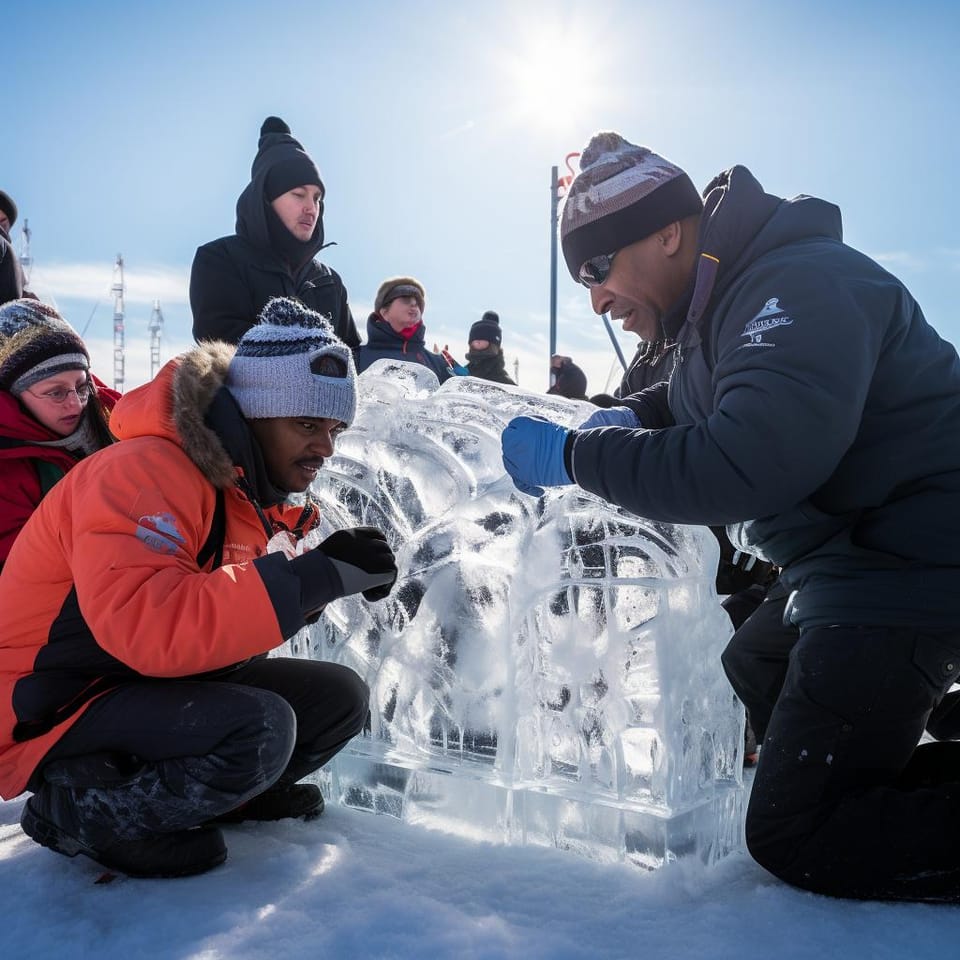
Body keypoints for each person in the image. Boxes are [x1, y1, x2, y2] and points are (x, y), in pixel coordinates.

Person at [501, 131, 960, 903]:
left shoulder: (797, 287)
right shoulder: (719, 310)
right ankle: (858, 770)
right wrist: (623, 418)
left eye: (597, 268)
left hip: (914, 558)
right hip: (857, 553)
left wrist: (577, 461)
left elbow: (749, 462)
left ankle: (832, 796)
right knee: (757, 660)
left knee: (796, 833)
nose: (596, 298)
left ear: (668, 233)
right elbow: (687, 401)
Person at [0, 297, 397, 879]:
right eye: (308, 424)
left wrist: (315, 588)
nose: (326, 447)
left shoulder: (232, 491)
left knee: (338, 698)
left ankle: (225, 796)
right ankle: (82, 811)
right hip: (51, 700)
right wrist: (314, 576)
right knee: (261, 727)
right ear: (255, 414)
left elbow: (216, 627)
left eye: (334, 428)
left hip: (128, 679)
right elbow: (151, 628)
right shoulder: (139, 472)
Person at [190, 117, 360, 350]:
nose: (311, 208)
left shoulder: (329, 281)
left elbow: (353, 357)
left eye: (317, 198)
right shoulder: (220, 260)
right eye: (299, 194)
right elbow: (221, 345)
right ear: (266, 198)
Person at [0, 299, 118, 571]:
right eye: (56, 392)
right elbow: (21, 563)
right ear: (15, 395)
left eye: (81, 386)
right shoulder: (8, 466)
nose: (75, 403)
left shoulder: (121, 420)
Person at [356, 277, 454, 382]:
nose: (414, 304)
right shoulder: (356, 357)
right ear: (384, 312)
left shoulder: (438, 362)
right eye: (406, 299)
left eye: (418, 303)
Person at [463, 311, 515, 385]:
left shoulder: (505, 383)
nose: (477, 341)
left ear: (493, 344)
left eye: (482, 338)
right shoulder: (462, 374)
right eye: (474, 339)